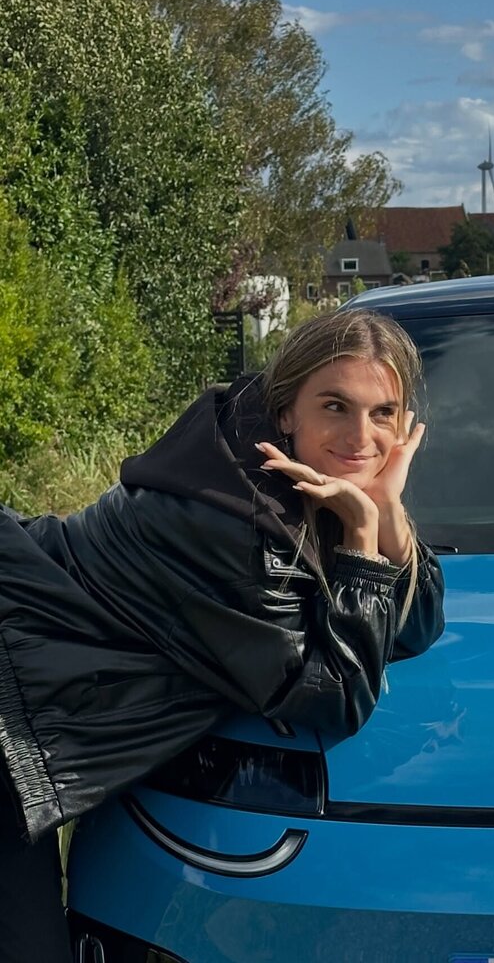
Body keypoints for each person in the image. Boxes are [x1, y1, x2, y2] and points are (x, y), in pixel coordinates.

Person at [0, 308, 445, 963]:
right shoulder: (235, 526)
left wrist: (388, 513)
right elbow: (334, 697)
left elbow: (417, 625)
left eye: (383, 413)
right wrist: (361, 534)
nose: (361, 436)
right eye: (335, 406)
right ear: (285, 410)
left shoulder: (286, 475)